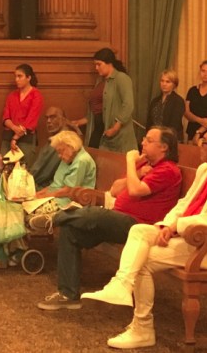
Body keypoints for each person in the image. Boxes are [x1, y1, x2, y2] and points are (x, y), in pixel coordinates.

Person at [81, 117, 207, 349]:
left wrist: (179, 226)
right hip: (187, 234)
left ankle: (142, 328)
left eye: (204, 141)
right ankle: (121, 284)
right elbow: (186, 202)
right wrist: (165, 225)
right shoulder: (206, 169)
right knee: (138, 231)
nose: (199, 144)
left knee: (143, 260)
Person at [36, 126, 182, 310]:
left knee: (95, 213)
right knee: (70, 230)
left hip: (139, 226)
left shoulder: (168, 170)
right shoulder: (144, 166)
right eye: (144, 138)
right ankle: (68, 295)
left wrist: (130, 161)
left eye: (149, 140)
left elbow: (135, 190)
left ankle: (53, 219)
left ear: (164, 147)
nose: (142, 143)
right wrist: (136, 173)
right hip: (118, 220)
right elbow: (115, 189)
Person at [0, 130, 96, 269]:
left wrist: (41, 197)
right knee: (14, 206)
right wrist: (35, 195)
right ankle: (11, 252)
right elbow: (55, 185)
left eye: (60, 151)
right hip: (57, 197)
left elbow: (68, 191)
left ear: (70, 146)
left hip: (67, 203)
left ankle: (12, 253)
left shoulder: (81, 161)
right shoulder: (69, 157)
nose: (59, 155)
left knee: (17, 211)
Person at [72, 48, 136, 152]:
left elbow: (128, 105)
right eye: (95, 65)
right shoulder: (100, 81)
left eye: (99, 64)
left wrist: (115, 128)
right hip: (98, 129)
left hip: (115, 133)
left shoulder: (121, 78)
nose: (96, 68)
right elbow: (98, 109)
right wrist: (79, 122)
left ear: (109, 63)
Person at [1, 64, 43, 166]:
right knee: (4, 168)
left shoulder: (36, 95)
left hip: (26, 138)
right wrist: (14, 128)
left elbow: (31, 121)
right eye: (15, 76)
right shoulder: (12, 96)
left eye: (20, 76)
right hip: (8, 136)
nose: (16, 79)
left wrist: (15, 138)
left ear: (28, 78)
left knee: (24, 171)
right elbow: (6, 117)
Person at [30, 106, 80, 189]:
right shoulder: (56, 137)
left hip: (48, 186)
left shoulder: (62, 140)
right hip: (44, 183)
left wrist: (26, 179)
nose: (48, 121)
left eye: (53, 117)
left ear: (63, 119)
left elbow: (45, 173)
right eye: (47, 118)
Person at [145, 70, 185, 142]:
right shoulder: (155, 101)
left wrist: (161, 137)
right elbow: (149, 122)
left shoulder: (178, 101)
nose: (164, 84)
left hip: (170, 140)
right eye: (162, 81)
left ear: (174, 84)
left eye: (167, 82)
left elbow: (174, 125)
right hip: (154, 139)